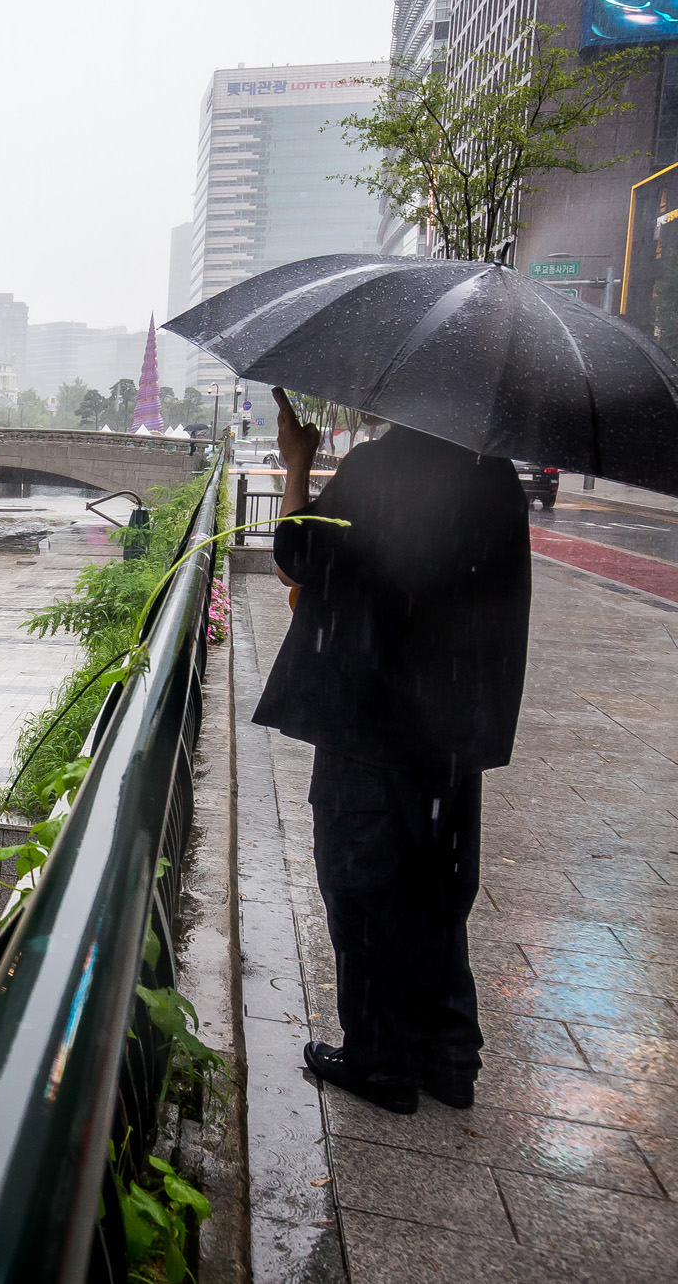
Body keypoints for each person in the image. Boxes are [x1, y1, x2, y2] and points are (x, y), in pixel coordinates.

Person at [255, 387, 531, 1115]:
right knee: (438, 888)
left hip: (371, 723)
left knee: (365, 886)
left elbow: (295, 558)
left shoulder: (382, 468)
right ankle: (448, 1055)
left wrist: (298, 464)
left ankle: (381, 1061)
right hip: (451, 736)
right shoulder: (495, 477)